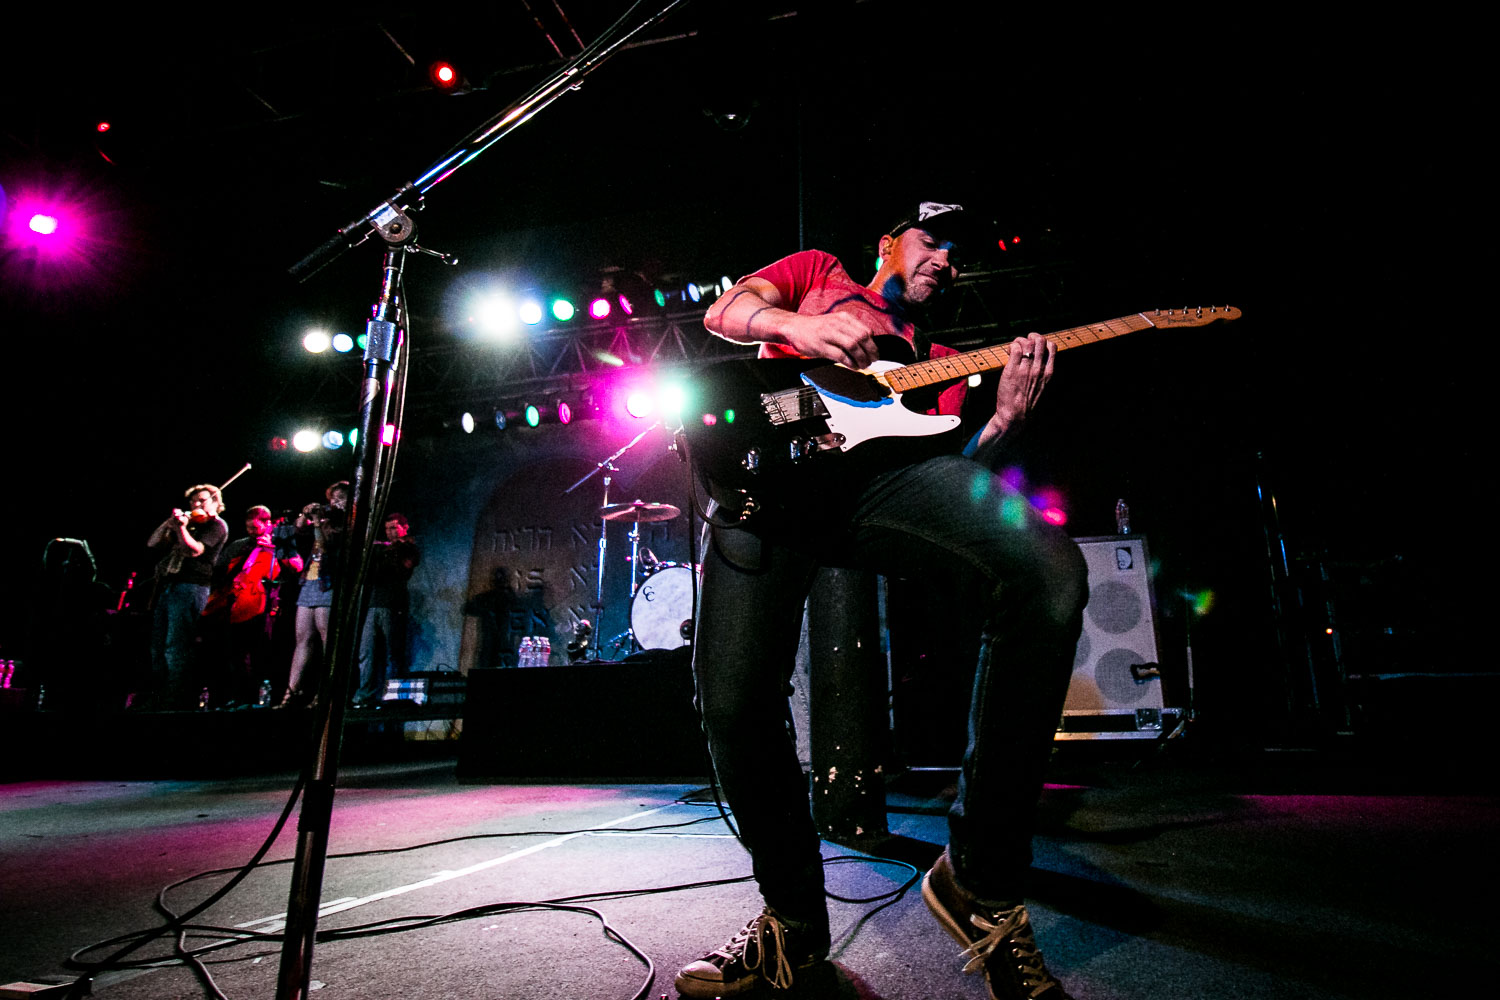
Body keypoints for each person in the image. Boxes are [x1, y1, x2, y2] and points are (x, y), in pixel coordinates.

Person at [675, 201, 1087, 1000]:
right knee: (733, 700)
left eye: (957, 256)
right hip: (769, 487)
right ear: (888, 244)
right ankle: (791, 928)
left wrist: (999, 421)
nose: (945, 262)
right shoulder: (820, 274)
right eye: (933, 242)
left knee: (1046, 576)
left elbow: (948, 465)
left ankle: (981, 878)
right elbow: (726, 312)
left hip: (877, 492)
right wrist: (799, 327)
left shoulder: (943, 360)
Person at [203, 505, 303, 708]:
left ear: (268, 525)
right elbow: (219, 569)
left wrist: (273, 548)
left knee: (259, 654)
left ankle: (257, 697)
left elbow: (297, 565)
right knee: (233, 655)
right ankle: (236, 696)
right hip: (234, 603)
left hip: (262, 604)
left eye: (255, 529)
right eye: (248, 528)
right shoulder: (240, 545)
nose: (251, 533)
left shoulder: (277, 543)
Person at [145, 484, 230, 709]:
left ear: (215, 502)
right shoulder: (190, 523)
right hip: (168, 586)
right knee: (157, 645)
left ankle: (175, 699)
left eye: (202, 500)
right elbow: (152, 543)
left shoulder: (217, 525)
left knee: (176, 645)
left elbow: (195, 551)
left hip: (191, 587)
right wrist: (170, 523)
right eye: (193, 501)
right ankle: (157, 695)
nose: (197, 504)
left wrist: (181, 530)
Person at [281, 481, 348, 707]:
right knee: (302, 638)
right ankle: (291, 693)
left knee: (327, 638)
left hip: (329, 582)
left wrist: (319, 521)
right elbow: (298, 529)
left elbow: (327, 541)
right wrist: (305, 514)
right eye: (333, 498)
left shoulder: (348, 522)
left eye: (341, 498)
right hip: (311, 579)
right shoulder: (327, 517)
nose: (335, 502)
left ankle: (325, 694)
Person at [352, 512, 421, 708]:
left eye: (393, 528)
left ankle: (394, 695)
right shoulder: (381, 549)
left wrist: (393, 549)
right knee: (366, 652)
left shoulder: (409, 548)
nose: (389, 532)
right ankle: (365, 695)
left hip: (393, 605)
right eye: (387, 529)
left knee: (394, 652)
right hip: (373, 604)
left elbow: (402, 569)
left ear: (404, 528)